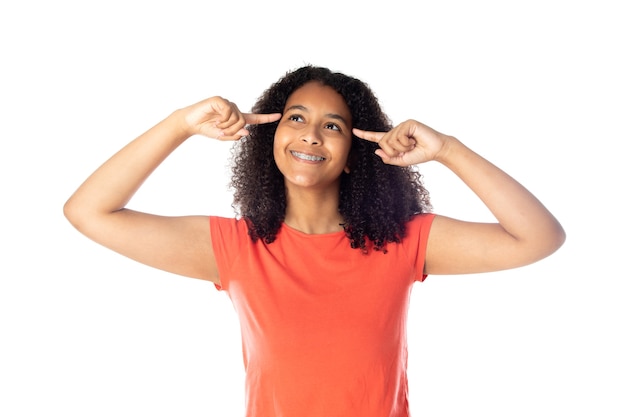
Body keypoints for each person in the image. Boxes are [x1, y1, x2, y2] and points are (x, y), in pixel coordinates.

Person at [63, 65, 565, 416]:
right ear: (272, 138)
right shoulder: (235, 248)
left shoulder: (401, 241)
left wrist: (448, 150)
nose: (310, 135)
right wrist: (180, 125)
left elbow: (538, 238)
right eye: (296, 118)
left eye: (333, 126)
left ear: (352, 154)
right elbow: (88, 212)